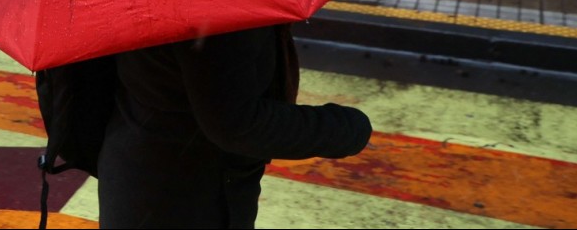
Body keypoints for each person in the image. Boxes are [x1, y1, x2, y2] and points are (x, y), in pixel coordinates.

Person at [97, 23, 373, 229]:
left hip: (139, 171)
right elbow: (237, 123)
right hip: (186, 198)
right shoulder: (216, 6)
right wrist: (348, 128)